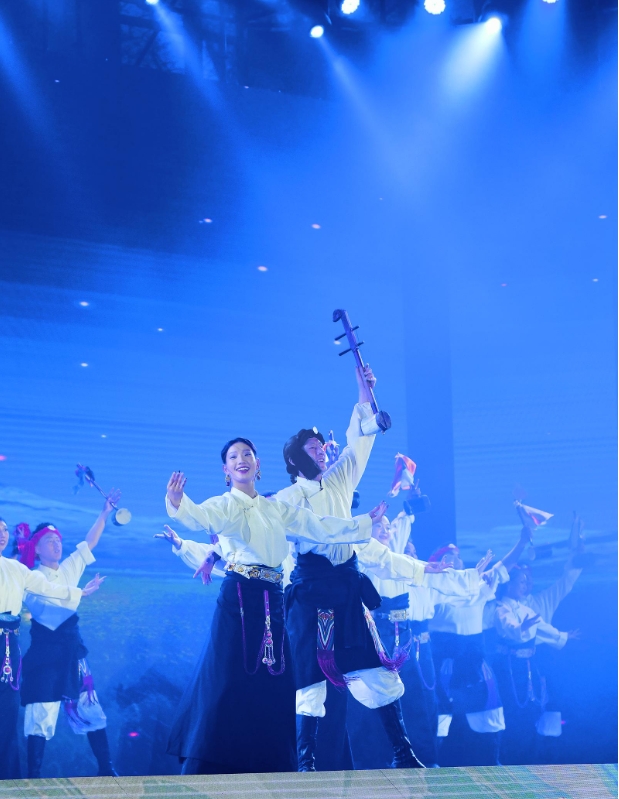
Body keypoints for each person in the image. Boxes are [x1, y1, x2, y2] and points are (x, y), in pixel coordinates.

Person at [163, 437, 382, 776]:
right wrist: (178, 502)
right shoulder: (225, 505)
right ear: (226, 470)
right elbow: (200, 517)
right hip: (238, 599)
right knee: (227, 678)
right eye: (233, 456)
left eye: (247, 454)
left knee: (275, 682)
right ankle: (208, 768)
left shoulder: (275, 508)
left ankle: (270, 766)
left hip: (274, 600)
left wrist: (363, 523)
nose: (241, 459)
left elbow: (318, 526)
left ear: (258, 464)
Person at [277, 366, 445, 771]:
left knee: (377, 672)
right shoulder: (285, 500)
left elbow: (359, 442)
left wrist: (363, 389)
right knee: (311, 680)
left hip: (347, 593)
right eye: (313, 447)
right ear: (295, 459)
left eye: (322, 446)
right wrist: (360, 524)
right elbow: (315, 532)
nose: (322, 451)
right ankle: (306, 764)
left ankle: (402, 753)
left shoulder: (338, 481)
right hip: (312, 598)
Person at [350, 509, 484, 769]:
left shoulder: (398, 561)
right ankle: (372, 761)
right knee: (374, 700)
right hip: (374, 637)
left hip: (402, 636)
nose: (386, 530)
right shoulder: (362, 558)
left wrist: (470, 577)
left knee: (414, 697)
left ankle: (420, 757)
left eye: (389, 527)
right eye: (380, 526)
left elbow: (432, 575)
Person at [17, 493, 119, 778]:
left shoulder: (67, 570)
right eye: (50, 540)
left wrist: (104, 513)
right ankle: (33, 779)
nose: (57, 544)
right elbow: (49, 604)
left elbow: (89, 543)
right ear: (37, 549)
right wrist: (79, 593)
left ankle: (106, 768)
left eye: (58, 540)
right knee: (41, 712)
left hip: (73, 652)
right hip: (45, 655)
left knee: (89, 706)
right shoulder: (31, 577)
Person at [0, 517, 96, 780]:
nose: (2, 534)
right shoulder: (19, 568)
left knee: (7, 713)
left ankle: (9, 779)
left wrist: (79, 593)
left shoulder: (16, 569)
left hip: (9, 646)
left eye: (4, 530)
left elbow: (47, 588)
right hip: (25, 648)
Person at [428, 526, 532, 767]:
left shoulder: (477, 587)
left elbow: (503, 567)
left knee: (491, 717)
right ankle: (433, 768)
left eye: (458, 556)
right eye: (449, 556)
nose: (456, 560)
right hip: (445, 665)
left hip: (475, 664)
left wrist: (522, 541)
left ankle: (493, 765)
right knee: (440, 721)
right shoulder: (430, 590)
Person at [492, 566, 580, 765]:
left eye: (526, 582)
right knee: (514, 706)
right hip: (510, 667)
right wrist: (521, 628)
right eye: (521, 582)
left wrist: (563, 636)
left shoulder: (526, 609)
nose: (525, 585)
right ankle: (509, 755)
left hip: (527, 665)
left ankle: (533, 755)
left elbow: (542, 627)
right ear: (509, 584)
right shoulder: (501, 608)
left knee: (529, 707)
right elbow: (509, 627)